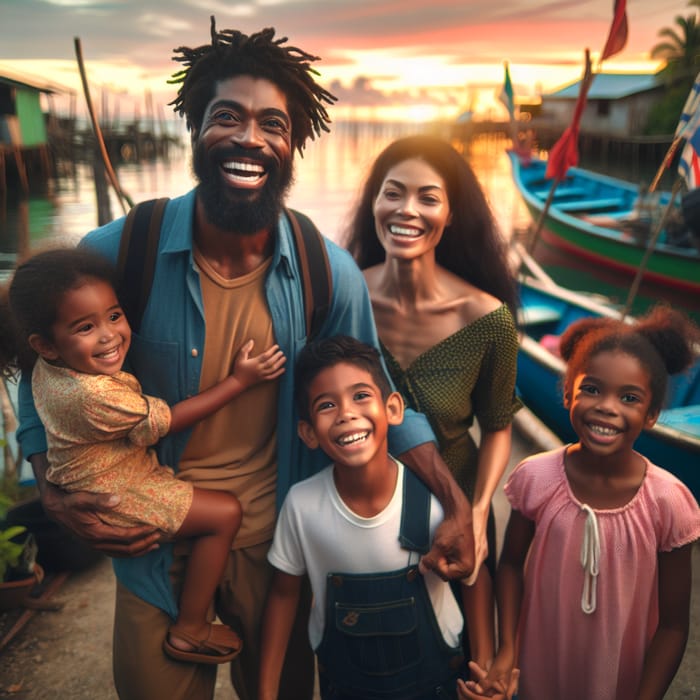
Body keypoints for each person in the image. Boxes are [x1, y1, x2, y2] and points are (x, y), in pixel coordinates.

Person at [16, 20, 474, 700]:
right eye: (226, 117)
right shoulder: (121, 250)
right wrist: (51, 486)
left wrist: (456, 500)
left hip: (276, 546)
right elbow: (41, 371)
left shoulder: (328, 271)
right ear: (194, 130)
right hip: (152, 541)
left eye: (273, 124)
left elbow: (377, 385)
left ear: (293, 145)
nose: (250, 138)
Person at [0, 246, 287, 664]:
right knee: (224, 515)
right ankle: (190, 628)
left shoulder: (55, 369)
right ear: (44, 344)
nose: (109, 335)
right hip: (115, 493)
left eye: (114, 316)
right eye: (85, 327)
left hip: (93, 476)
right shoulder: (92, 394)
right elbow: (168, 419)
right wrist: (239, 381)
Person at [461, 305, 700, 700]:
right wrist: (507, 651)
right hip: (537, 670)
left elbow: (674, 625)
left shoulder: (668, 502)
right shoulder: (535, 478)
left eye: (629, 397)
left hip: (617, 683)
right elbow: (509, 566)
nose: (607, 406)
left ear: (652, 414)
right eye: (591, 389)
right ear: (568, 392)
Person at [345, 135, 521, 660]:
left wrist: (479, 509)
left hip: (458, 503)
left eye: (428, 197)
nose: (407, 210)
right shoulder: (344, 298)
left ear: (450, 215)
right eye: (392, 192)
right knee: (377, 652)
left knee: (466, 652)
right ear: (373, 203)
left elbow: (497, 425)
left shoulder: (488, 319)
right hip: (367, 504)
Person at [259, 335, 483, 699]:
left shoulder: (433, 504)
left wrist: (483, 668)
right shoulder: (302, 506)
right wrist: (266, 693)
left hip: (436, 685)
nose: (346, 413)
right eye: (327, 405)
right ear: (308, 433)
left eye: (361, 396)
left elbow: (475, 577)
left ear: (393, 408)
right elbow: (284, 596)